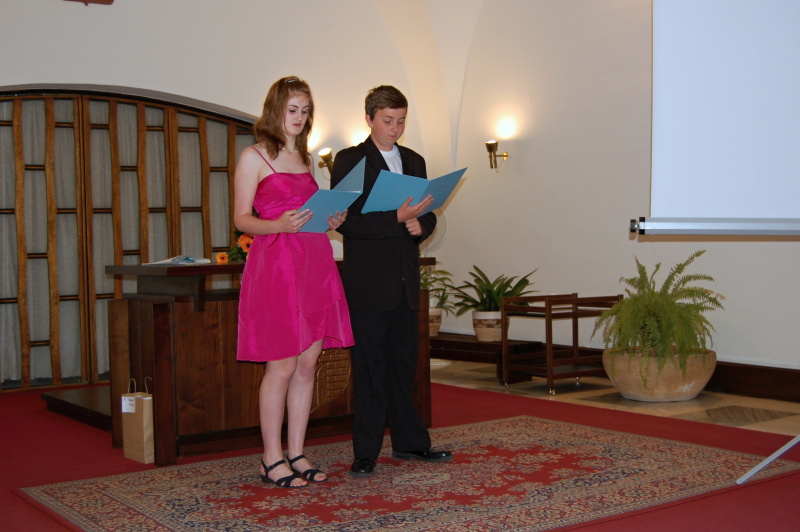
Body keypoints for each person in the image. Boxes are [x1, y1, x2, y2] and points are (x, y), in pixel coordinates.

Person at [234, 76, 353, 488]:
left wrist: (331, 219)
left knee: (307, 364)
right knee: (282, 364)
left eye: (305, 111)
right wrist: (277, 224)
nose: (299, 117)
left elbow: (308, 213)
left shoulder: (306, 158)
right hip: (277, 266)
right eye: (292, 110)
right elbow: (241, 219)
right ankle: (271, 458)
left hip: (314, 262)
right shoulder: (253, 156)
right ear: (275, 110)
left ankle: (297, 452)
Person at [331, 85, 453, 477]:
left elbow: (428, 211)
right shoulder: (350, 159)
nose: (395, 128)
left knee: (404, 367)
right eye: (387, 121)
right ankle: (365, 452)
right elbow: (347, 222)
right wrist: (397, 219)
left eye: (401, 121)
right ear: (369, 119)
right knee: (370, 369)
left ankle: (411, 444)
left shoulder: (414, 160)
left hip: (404, 281)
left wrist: (422, 225)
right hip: (368, 284)